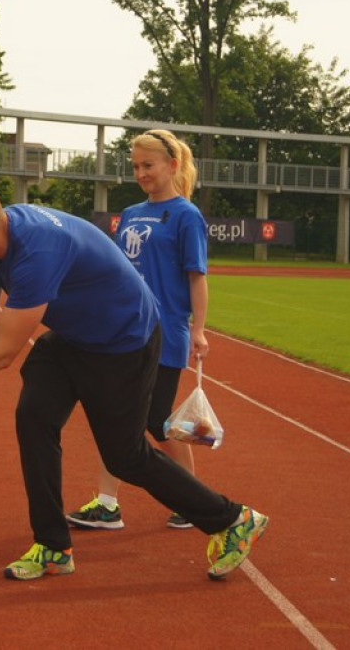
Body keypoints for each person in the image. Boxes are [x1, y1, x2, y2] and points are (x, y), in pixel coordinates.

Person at [0, 175, 268, 582]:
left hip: (124, 342)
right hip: (74, 337)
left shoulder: (36, 249)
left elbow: (1, 353)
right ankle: (53, 547)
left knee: (125, 458)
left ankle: (233, 518)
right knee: (34, 418)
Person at [66, 129, 207, 531]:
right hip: (126, 326)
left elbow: (197, 277)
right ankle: (107, 504)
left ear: (172, 165)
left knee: (158, 418)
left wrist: (199, 330)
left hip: (167, 329)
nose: (141, 173)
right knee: (115, 413)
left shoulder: (185, 215)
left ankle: (193, 496)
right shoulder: (129, 214)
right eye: (136, 166)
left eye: (149, 165)